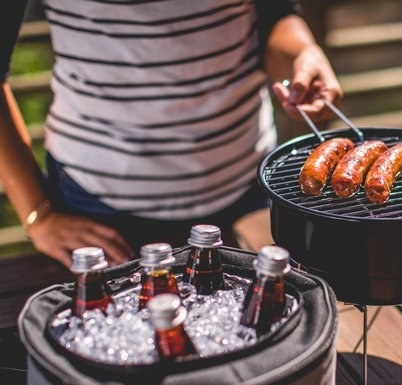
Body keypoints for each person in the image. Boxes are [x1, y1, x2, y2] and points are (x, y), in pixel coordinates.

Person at [0, 0, 342, 269]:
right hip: (98, 209)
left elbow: (273, 15)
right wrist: (37, 215)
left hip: (249, 188)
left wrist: (302, 54)